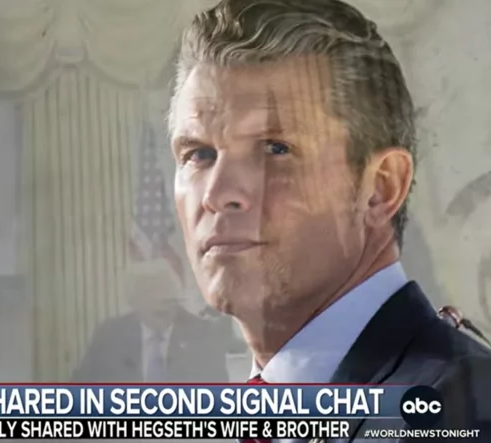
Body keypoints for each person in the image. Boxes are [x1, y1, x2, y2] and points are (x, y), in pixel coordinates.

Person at [169, 0, 491, 439]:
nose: (217, 194)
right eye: (198, 154)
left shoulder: (460, 413)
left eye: (275, 149)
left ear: (380, 188)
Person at [70, 261, 229, 382]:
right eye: (153, 295)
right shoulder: (110, 335)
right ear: (134, 301)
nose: (163, 305)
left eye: (169, 297)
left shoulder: (202, 334)